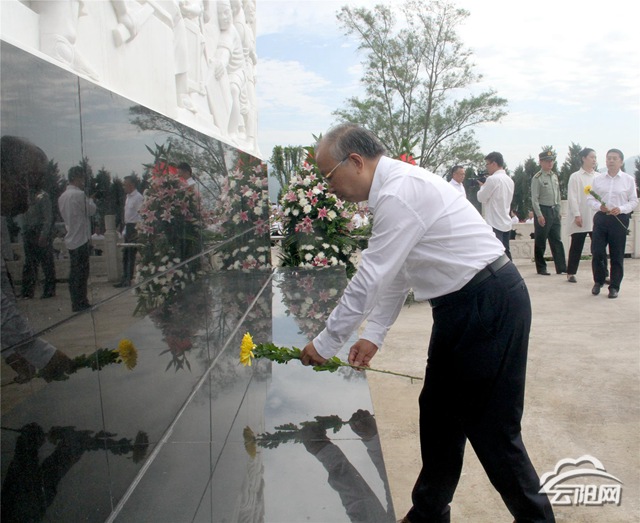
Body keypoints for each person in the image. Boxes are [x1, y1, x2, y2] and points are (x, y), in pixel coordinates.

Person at [300, 124, 555, 523]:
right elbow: (397, 271)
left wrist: (326, 342)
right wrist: (373, 334)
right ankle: (428, 513)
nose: (329, 187)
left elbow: (371, 277)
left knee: (492, 430)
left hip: (486, 302)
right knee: (438, 414)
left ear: (356, 161)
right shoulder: (394, 190)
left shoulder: (399, 192)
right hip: (461, 306)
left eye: (328, 175)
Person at [587, 148, 638, 299]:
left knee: (617, 254)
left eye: (614, 158)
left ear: (621, 162)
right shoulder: (598, 179)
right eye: (609, 158)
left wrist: (621, 209)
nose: (611, 161)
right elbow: (590, 199)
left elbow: (634, 201)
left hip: (619, 219)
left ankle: (614, 286)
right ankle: (598, 281)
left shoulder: (628, 180)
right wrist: (599, 206)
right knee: (597, 251)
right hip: (601, 218)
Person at [58, 166, 96, 312]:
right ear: (76, 178)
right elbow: (91, 210)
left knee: (74, 272)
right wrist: (91, 201)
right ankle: (81, 301)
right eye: (82, 178)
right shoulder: (79, 194)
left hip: (71, 236)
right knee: (82, 273)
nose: (83, 181)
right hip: (81, 237)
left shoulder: (62, 197)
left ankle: (76, 301)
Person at [531, 150, 567, 275]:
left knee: (556, 239)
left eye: (551, 161)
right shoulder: (537, 178)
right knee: (541, 240)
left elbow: (558, 194)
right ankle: (541, 267)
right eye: (547, 161)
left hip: (554, 209)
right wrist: (539, 215)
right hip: (544, 210)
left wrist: (559, 209)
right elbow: (535, 199)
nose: (550, 163)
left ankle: (561, 267)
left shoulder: (554, 176)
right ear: (541, 162)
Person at [20, 180, 56, 299]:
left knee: (46, 262)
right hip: (28, 231)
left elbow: (47, 218)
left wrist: (44, 234)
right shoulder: (26, 197)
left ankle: (49, 290)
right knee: (29, 263)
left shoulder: (43, 196)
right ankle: (27, 291)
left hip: (39, 230)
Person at [566, 148, 598, 283]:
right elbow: (572, 197)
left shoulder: (598, 177)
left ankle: (602, 274)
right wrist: (577, 214)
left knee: (598, 248)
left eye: (595, 157)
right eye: (591, 157)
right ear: (584, 158)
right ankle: (571, 272)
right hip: (581, 216)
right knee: (576, 245)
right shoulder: (576, 176)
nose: (594, 160)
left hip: (595, 216)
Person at [476, 152, 515, 260]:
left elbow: (481, 198)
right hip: (506, 221)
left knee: (496, 254)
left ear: (494, 163)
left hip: (494, 222)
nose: (487, 167)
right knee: (506, 252)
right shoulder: (509, 180)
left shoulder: (492, 179)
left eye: (487, 164)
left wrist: (482, 187)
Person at [114, 175, 143, 288]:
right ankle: (124, 278)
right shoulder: (128, 197)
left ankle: (128, 279)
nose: (124, 187)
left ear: (132, 185)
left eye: (125, 184)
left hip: (134, 227)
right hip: (128, 226)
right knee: (125, 255)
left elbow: (141, 214)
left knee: (131, 254)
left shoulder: (138, 197)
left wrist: (138, 230)